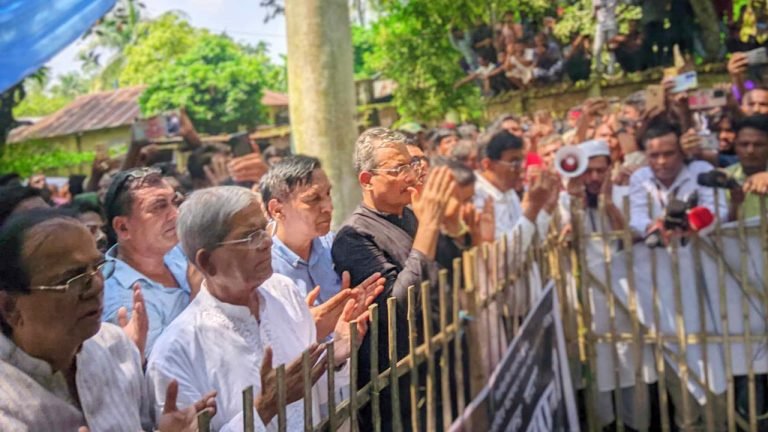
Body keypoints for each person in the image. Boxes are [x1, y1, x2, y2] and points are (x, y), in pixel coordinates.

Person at [147, 186, 382, 431]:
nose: (268, 242)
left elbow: (313, 397)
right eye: (250, 236)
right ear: (207, 261)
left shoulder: (284, 292)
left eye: (264, 229)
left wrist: (334, 359)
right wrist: (266, 407)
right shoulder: (175, 353)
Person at [0, 208, 216, 430]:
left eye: (97, 267)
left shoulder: (116, 348)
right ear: (10, 307)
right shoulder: (7, 405)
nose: (96, 285)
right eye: (72, 279)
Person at [332, 127, 456, 431]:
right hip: (396, 385)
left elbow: (449, 271)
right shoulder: (354, 236)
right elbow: (395, 307)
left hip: (435, 363)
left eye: (411, 166)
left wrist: (439, 223)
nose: (410, 176)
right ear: (367, 179)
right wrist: (428, 230)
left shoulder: (409, 216)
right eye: (397, 169)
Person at [102, 168, 199, 357]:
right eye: (158, 207)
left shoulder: (177, 249)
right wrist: (198, 299)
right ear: (123, 227)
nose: (175, 214)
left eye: (174, 202)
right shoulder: (124, 301)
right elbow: (166, 368)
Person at [628, 121, 728, 240]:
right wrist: (653, 227)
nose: (661, 161)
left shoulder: (701, 170)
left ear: (682, 153)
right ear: (646, 156)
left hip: (700, 247)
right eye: (654, 155)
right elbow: (637, 218)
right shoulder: (640, 178)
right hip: (658, 249)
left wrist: (692, 223)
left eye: (669, 154)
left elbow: (720, 211)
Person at [472, 130, 555, 244]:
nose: (521, 168)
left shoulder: (509, 192)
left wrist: (547, 207)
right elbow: (505, 250)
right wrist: (533, 207)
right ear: (488, 165)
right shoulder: (476, 196)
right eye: (514, 163)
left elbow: (532, 241)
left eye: (521, 162)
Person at [726, 114, 768, 221]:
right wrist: (735, 204)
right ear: (735, 146)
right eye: (744, 144)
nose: (750, 151)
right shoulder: (724, 178)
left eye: (758, 145)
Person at [592, 0, 618, 76]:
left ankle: (611, 71)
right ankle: (599, 69)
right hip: (600, 25)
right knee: (597, 49)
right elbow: (594, 12)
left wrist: (617, 12)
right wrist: (594, 14)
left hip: (611, 24)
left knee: (611, 48)